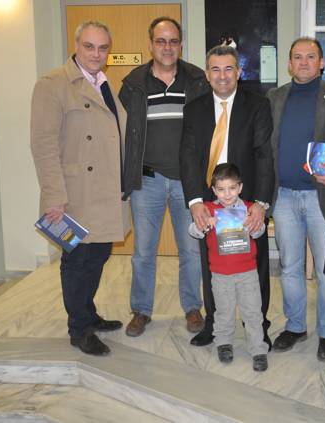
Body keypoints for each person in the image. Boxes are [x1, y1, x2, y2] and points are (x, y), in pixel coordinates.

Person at [30, 21, 130, 356]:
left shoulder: (103, 83)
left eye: (103, 48)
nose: (96, 54)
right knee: (78, 260)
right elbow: (43, 146)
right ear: (76, 46)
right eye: (89, 46)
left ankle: (88, 313)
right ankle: (80, 329)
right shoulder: (53, 84)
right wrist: (54, 197)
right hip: (73, 195)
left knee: (98, 255)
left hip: (104, 191)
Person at [120, 17, 209, 337]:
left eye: (173, 41)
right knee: (144, 252)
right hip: (148, 181)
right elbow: (124, 131)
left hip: (189, 182)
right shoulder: (133, 84)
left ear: (181, 44)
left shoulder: (198, 80)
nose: (167, 47)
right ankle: (141, 310)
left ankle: (192, 307)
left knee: (191, 251)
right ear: (151, 44)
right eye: (161, 41)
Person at [180, 45, 274, 349]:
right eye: (216, 69)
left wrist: (261, 204)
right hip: (210, 202)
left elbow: (264, 156)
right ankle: (214, 324)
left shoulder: (258, 105)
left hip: (246, 200)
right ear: (207, 74)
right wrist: (195, 202)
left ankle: (257, 326)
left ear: (239, 72)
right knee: (213, 265)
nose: (222, 76)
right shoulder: (194, 109)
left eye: (229, 69)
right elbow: (188, 157)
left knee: (255, 266)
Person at [267, 37, 325, 361]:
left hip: (322, 197)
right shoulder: (274, 97)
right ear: (289, 64)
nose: (303, 62)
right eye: (297, 57)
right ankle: (296, 326)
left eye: (310, 57)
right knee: (290, 267)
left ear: (322, 62)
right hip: (284, 197)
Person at [188, 163, 268, 371]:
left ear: (240, 187)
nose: (227, 194)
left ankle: (258, 349)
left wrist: (252, 225)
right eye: (221, 189)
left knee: (253, 312)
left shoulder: (249, 209)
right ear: (214, 190)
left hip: (248, 273)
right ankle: (223, 342)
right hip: (220, 274)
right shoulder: (208, 209)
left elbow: (260, 232)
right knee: (223, 311)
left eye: (232, 188)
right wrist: (205, 224)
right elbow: (193, 231)